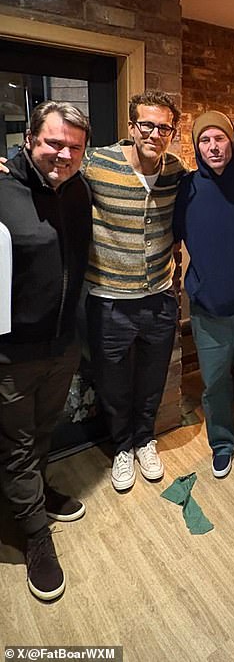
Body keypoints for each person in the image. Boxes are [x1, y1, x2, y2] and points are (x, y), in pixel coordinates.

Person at [0, 101, 91, 601]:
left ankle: (32, 498)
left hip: (64, 344)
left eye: (74, 147)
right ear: (30, 138)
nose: (62, 153)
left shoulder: (79, 189)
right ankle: (35, 535)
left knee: (41, 431)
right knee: (14, 443)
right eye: (53, 142)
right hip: (11, 353)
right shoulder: (2, 187)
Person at [84, 90, 186, 492]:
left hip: (160, 299)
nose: (155, 133)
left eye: (164, 127)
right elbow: (50, 173)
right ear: (132, 127)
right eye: (147, 124)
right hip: (109, 300)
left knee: (152, 378)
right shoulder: (97, 162)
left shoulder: (176, 170)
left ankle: (145, 440)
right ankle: (122, 446)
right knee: (113, 383)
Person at [173, 111, 234, 479]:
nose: (213, 147)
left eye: (220, 138)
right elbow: (173, 238)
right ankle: (222, 444)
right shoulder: (187, 188)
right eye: (205, 140)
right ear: (197, 146)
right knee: (214, 384)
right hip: (207, 309)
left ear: (233, 141)